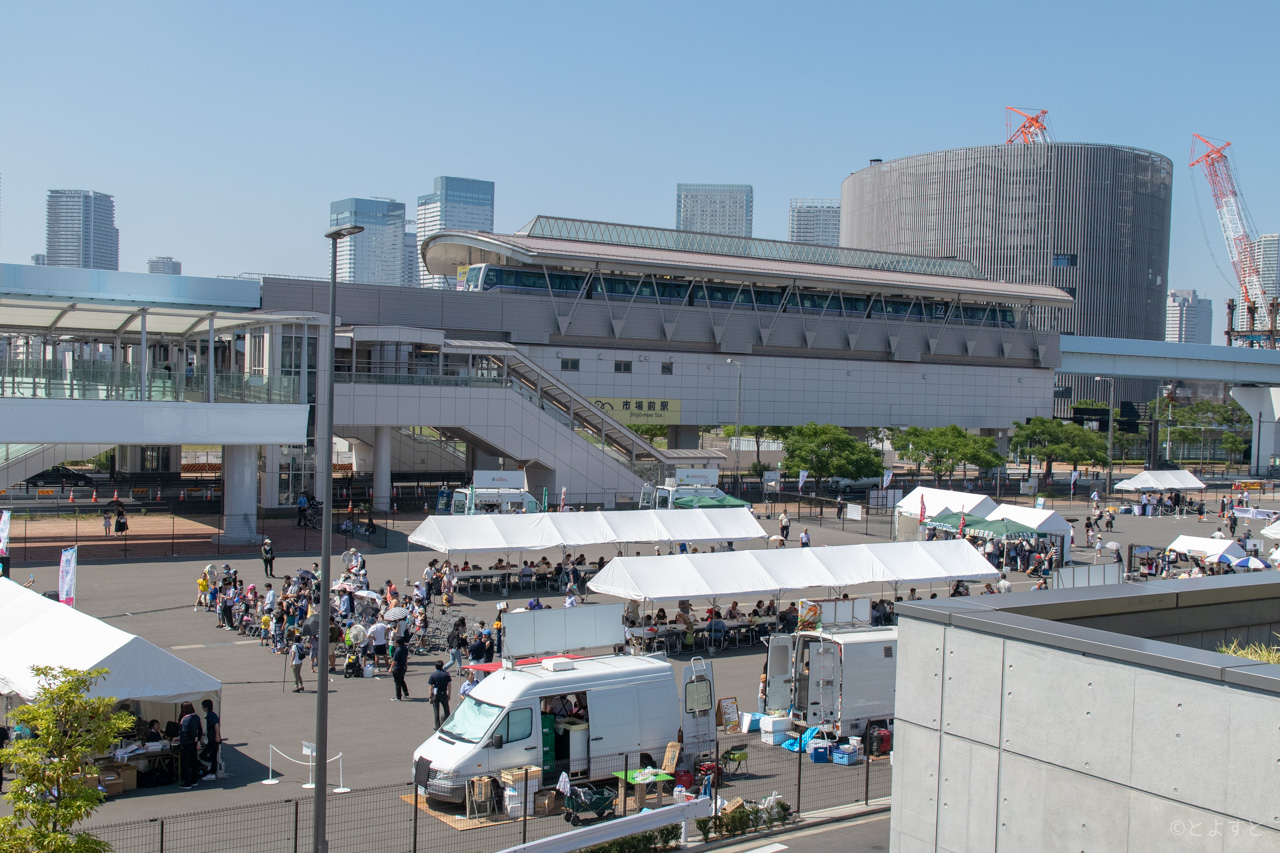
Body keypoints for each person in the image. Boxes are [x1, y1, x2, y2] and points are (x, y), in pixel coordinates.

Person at [177, 701, 203, 789]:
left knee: (185, 763)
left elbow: (185, 732)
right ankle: (194, 780)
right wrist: (197, 739)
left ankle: (187, 782)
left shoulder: (185, 719)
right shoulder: (196, 717)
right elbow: (200, 729)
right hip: (193, 743)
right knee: (194, 761)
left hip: (186, 743)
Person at [199, 699, 221, 781]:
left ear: (206, 707)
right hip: (213, 738)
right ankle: (212, 770)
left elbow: (216, 725)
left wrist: (217, 736)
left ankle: (211, 767)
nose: (202, 708)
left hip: (213, 740)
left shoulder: (210, 715)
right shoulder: (212, 714)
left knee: (203, 755)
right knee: (213, 755)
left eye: (203, 706)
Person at [428, 662, 452, 729]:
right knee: (446, 709)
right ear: (442, 667)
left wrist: (430, 697)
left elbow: (430, 687)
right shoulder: (446, 674)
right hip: (443, 693)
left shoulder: (433, 675)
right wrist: (449, 694)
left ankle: (437, 726)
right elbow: (449, 685)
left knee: (436, 710)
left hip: (435, 694)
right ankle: (448, 724)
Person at [391, 636, 410, 701]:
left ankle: (398, 696)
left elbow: (394, 661)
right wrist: (406, 664)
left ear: (397, 643)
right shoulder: (405, 648)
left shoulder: (398, 650)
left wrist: (391, 668)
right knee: (402, 680)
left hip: (398, 668)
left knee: (397, 682)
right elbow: (406, 657)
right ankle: (406, 693)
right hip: (403, 667)